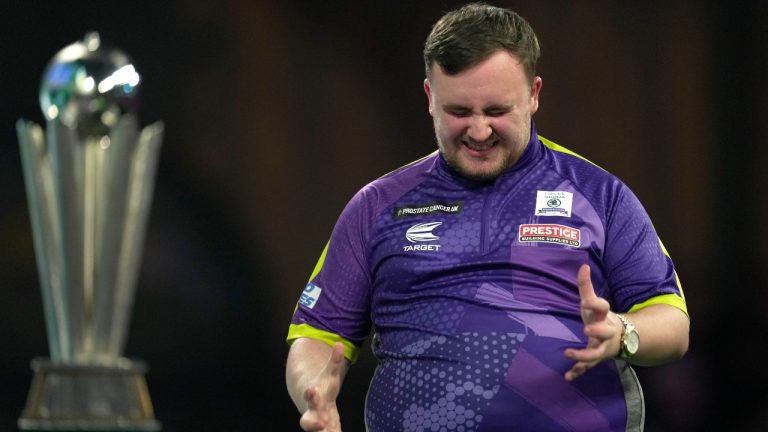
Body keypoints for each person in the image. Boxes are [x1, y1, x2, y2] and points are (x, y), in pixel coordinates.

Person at [285, 3, 690, 431]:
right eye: (459, 112)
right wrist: (314, 394)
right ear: (429, 97)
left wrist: (621, 332)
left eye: (496, 111)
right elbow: (316, 334)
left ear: (533, 94)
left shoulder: (598, 194)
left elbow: (672, 322)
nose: (479, 132)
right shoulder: (375, 206)